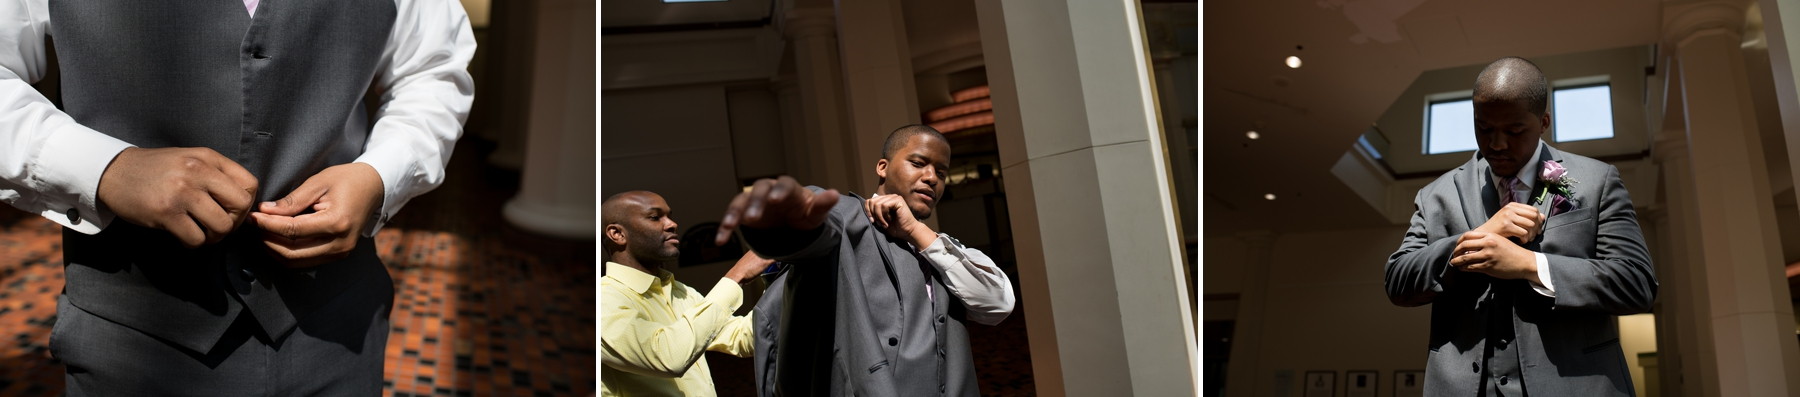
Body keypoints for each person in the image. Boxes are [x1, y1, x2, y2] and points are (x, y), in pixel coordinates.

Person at [0, 0, 474, 394]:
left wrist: (380, 175)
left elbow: (432, 69)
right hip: (130, 346)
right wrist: (106, 168)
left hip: (340, 333)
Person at [1385, 56, 1657, 396]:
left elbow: (1636, 284)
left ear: (1543, 122)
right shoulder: (1435, 195)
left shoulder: (1597, 181)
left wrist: (1531, 265)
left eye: (1514, 131)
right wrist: (1477, 239)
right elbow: (1397, 282)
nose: (1497, 144)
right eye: (1484, 128)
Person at [715, 124, 1016, 396]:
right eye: (918, 163)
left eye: (941, 172)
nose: (931, 178)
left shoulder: (946, 249)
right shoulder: (847, 217)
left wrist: (915, 231)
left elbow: (997, 304)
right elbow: (818, 219)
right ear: (883, 167)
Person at [600, 191, 770, 396]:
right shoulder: (603, 300)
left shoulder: (681, 292)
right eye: (655, 217)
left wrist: (784, 279)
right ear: (617, 234)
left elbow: (742, 338)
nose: (672, 224)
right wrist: (737, 275)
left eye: (669, 216)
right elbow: (668, 357)